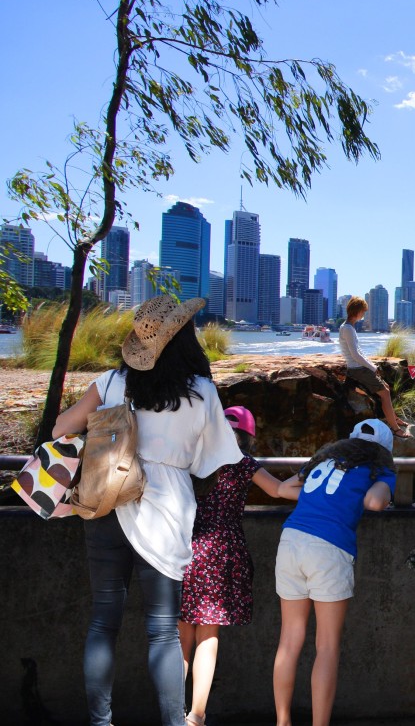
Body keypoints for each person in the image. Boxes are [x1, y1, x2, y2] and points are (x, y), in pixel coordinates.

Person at [51, 296, 244, 726]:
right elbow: (211, 462)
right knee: (162, 631)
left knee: (104, 622)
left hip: (105, 499)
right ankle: (173, 722)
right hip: (166, 512)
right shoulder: (202, 392)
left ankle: (101, 722)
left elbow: (60, 429)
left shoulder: (110, 382)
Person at [180, 407, 302, 726]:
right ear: (248, 438)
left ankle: (170, 713)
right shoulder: (243, 463)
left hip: (184, 548)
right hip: (222, 550)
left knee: (180, 636)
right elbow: (279, 490)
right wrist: (314, 477)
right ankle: (196, 715)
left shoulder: (194, 457)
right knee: (208, 636)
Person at [273, 420, 399, 726]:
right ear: (384, 450)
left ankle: (282, 720)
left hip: (291, 540)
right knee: (326, 646)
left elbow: (283, 488)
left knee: (289, 640)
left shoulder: (326, 460)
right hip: (329, 548)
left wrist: (323, 500)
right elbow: (374, 501)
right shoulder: (379, 470)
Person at [338, 297, 411, 438]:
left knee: (386, 389)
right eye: (363, 312)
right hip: (357, 369)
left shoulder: (348, 327)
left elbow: (358, 351)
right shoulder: (347, 328)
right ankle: (395, 429)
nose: (363, 315)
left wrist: (371, 364)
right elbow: (355, 355)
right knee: (385, 393)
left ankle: (393, 418)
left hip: (359, 367)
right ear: (357, 311)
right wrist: (372, 368)